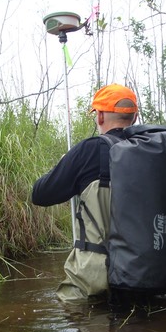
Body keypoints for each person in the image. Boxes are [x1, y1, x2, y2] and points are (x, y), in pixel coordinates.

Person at [32, 83, 138, 302]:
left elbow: (40, 195)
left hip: (97, 280)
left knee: (73, 309)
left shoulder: (90, 149)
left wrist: (64, 163)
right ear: (134, 117)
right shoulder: (155, 153)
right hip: (145, 273)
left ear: (100, 116)